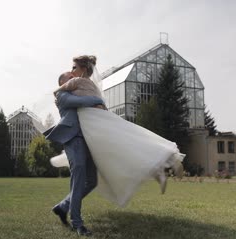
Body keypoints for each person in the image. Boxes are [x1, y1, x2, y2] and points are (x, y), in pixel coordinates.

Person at [50, 55, 185, 208]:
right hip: (99, 120)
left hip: (92, 123)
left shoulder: (75, 82)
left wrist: (58, 94)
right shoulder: (92, 86)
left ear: (83, 70)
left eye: (74, 68)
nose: (71, 71)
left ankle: (159, 167)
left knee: (119, 153)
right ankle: (161, 164)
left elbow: (60, 93)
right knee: (128, 145)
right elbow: (98, 103)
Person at [43, 61, 105, 236]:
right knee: (78, 173)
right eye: (69, 77)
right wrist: (99, 99)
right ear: (62, 82)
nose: (73, 77)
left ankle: (63, 207)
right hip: (73, 139)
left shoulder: (77, 89)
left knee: (92, 181)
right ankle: (78, 224)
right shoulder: (62, 96)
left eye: (74, 75)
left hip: (88, 140)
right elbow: (83, 101)